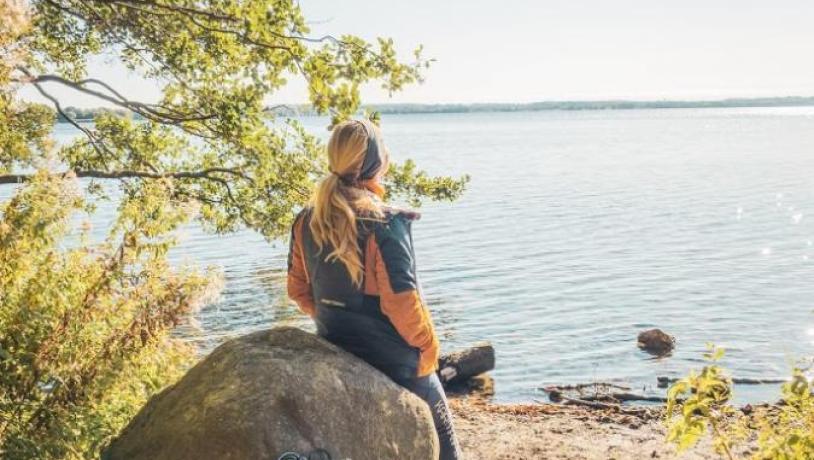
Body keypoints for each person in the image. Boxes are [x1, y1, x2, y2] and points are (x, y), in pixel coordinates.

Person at [286, 119, 461, 460]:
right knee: (447, 444)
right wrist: (428, 351)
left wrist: (334, 321)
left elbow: (298, 291)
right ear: (375, 163)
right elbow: (403, 305)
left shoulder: (307, 219)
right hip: (393, 359)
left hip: (335, 344)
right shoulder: (386, 223)